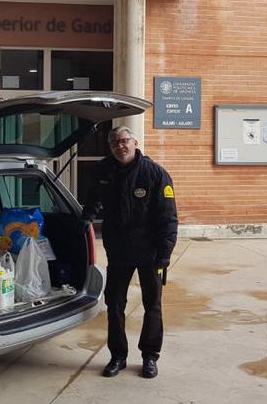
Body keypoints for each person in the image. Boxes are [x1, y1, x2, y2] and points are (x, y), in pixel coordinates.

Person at [82, 126, 178, 379]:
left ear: (134, 142)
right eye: (114, 143)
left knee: (152, 305)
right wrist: (86, 218)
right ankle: (118, 356)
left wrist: (165, 255)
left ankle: (149, 357)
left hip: (151, 251)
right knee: (114, 304)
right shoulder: (104, 170)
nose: (120, 147)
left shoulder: (155, 174)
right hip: (119, 250)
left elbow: (169, 219)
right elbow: (93, 197)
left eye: (124, 141)